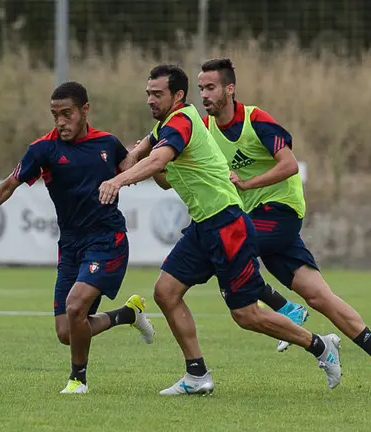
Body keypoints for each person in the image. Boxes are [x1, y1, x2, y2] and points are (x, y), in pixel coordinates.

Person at [98, 64, 342, 396]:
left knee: (246, 315)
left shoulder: (183, 122)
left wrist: (116, 180)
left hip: (228, 225)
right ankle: (197, 375)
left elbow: (156, 163)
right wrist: (114, 159)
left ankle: (320, 346)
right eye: (148, 94)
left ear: (178, 96)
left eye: (158, 94)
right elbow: (141, 153)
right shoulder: (166, 126)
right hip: (204, 226)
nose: (150, 100)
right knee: (166, 292)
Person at [178, 57, 371, 396]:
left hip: (280, 212)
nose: (204, 95)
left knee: (224, 246)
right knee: (320, 296)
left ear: (230, 89)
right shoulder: (207, 130)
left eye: (210, 88)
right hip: (254, 221)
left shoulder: (256, 120)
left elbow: (289, 165)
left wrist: (248, 183)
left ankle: (284, 307)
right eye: (200, 89)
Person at [0, 81, 155, 395]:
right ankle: (128, 314)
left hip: (107, 240)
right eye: (54, 114)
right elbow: (7, 187)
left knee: (74, 308)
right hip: (70, 246)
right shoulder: (44, 149)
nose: (60, 121)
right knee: (66, 331)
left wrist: (151, 153)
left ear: (85, 110)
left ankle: (78, 380)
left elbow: (136, 170)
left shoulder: (108, 145)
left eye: (66, 114)